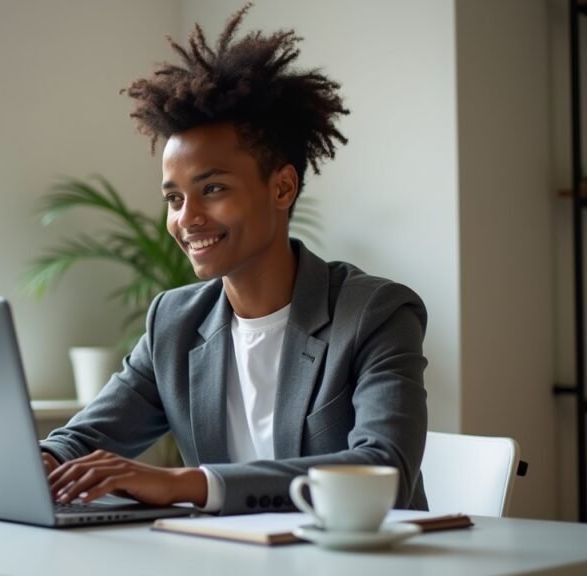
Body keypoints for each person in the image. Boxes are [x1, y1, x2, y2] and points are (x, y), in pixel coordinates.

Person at [38, 5, 429, 516]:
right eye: (174, 199)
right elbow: (84, 438)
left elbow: (383, 473)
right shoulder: (174, 323)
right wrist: (41, 460)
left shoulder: (374, 314)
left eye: (213, 189)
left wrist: (190, 484)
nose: (188, 218)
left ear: (282, 187)